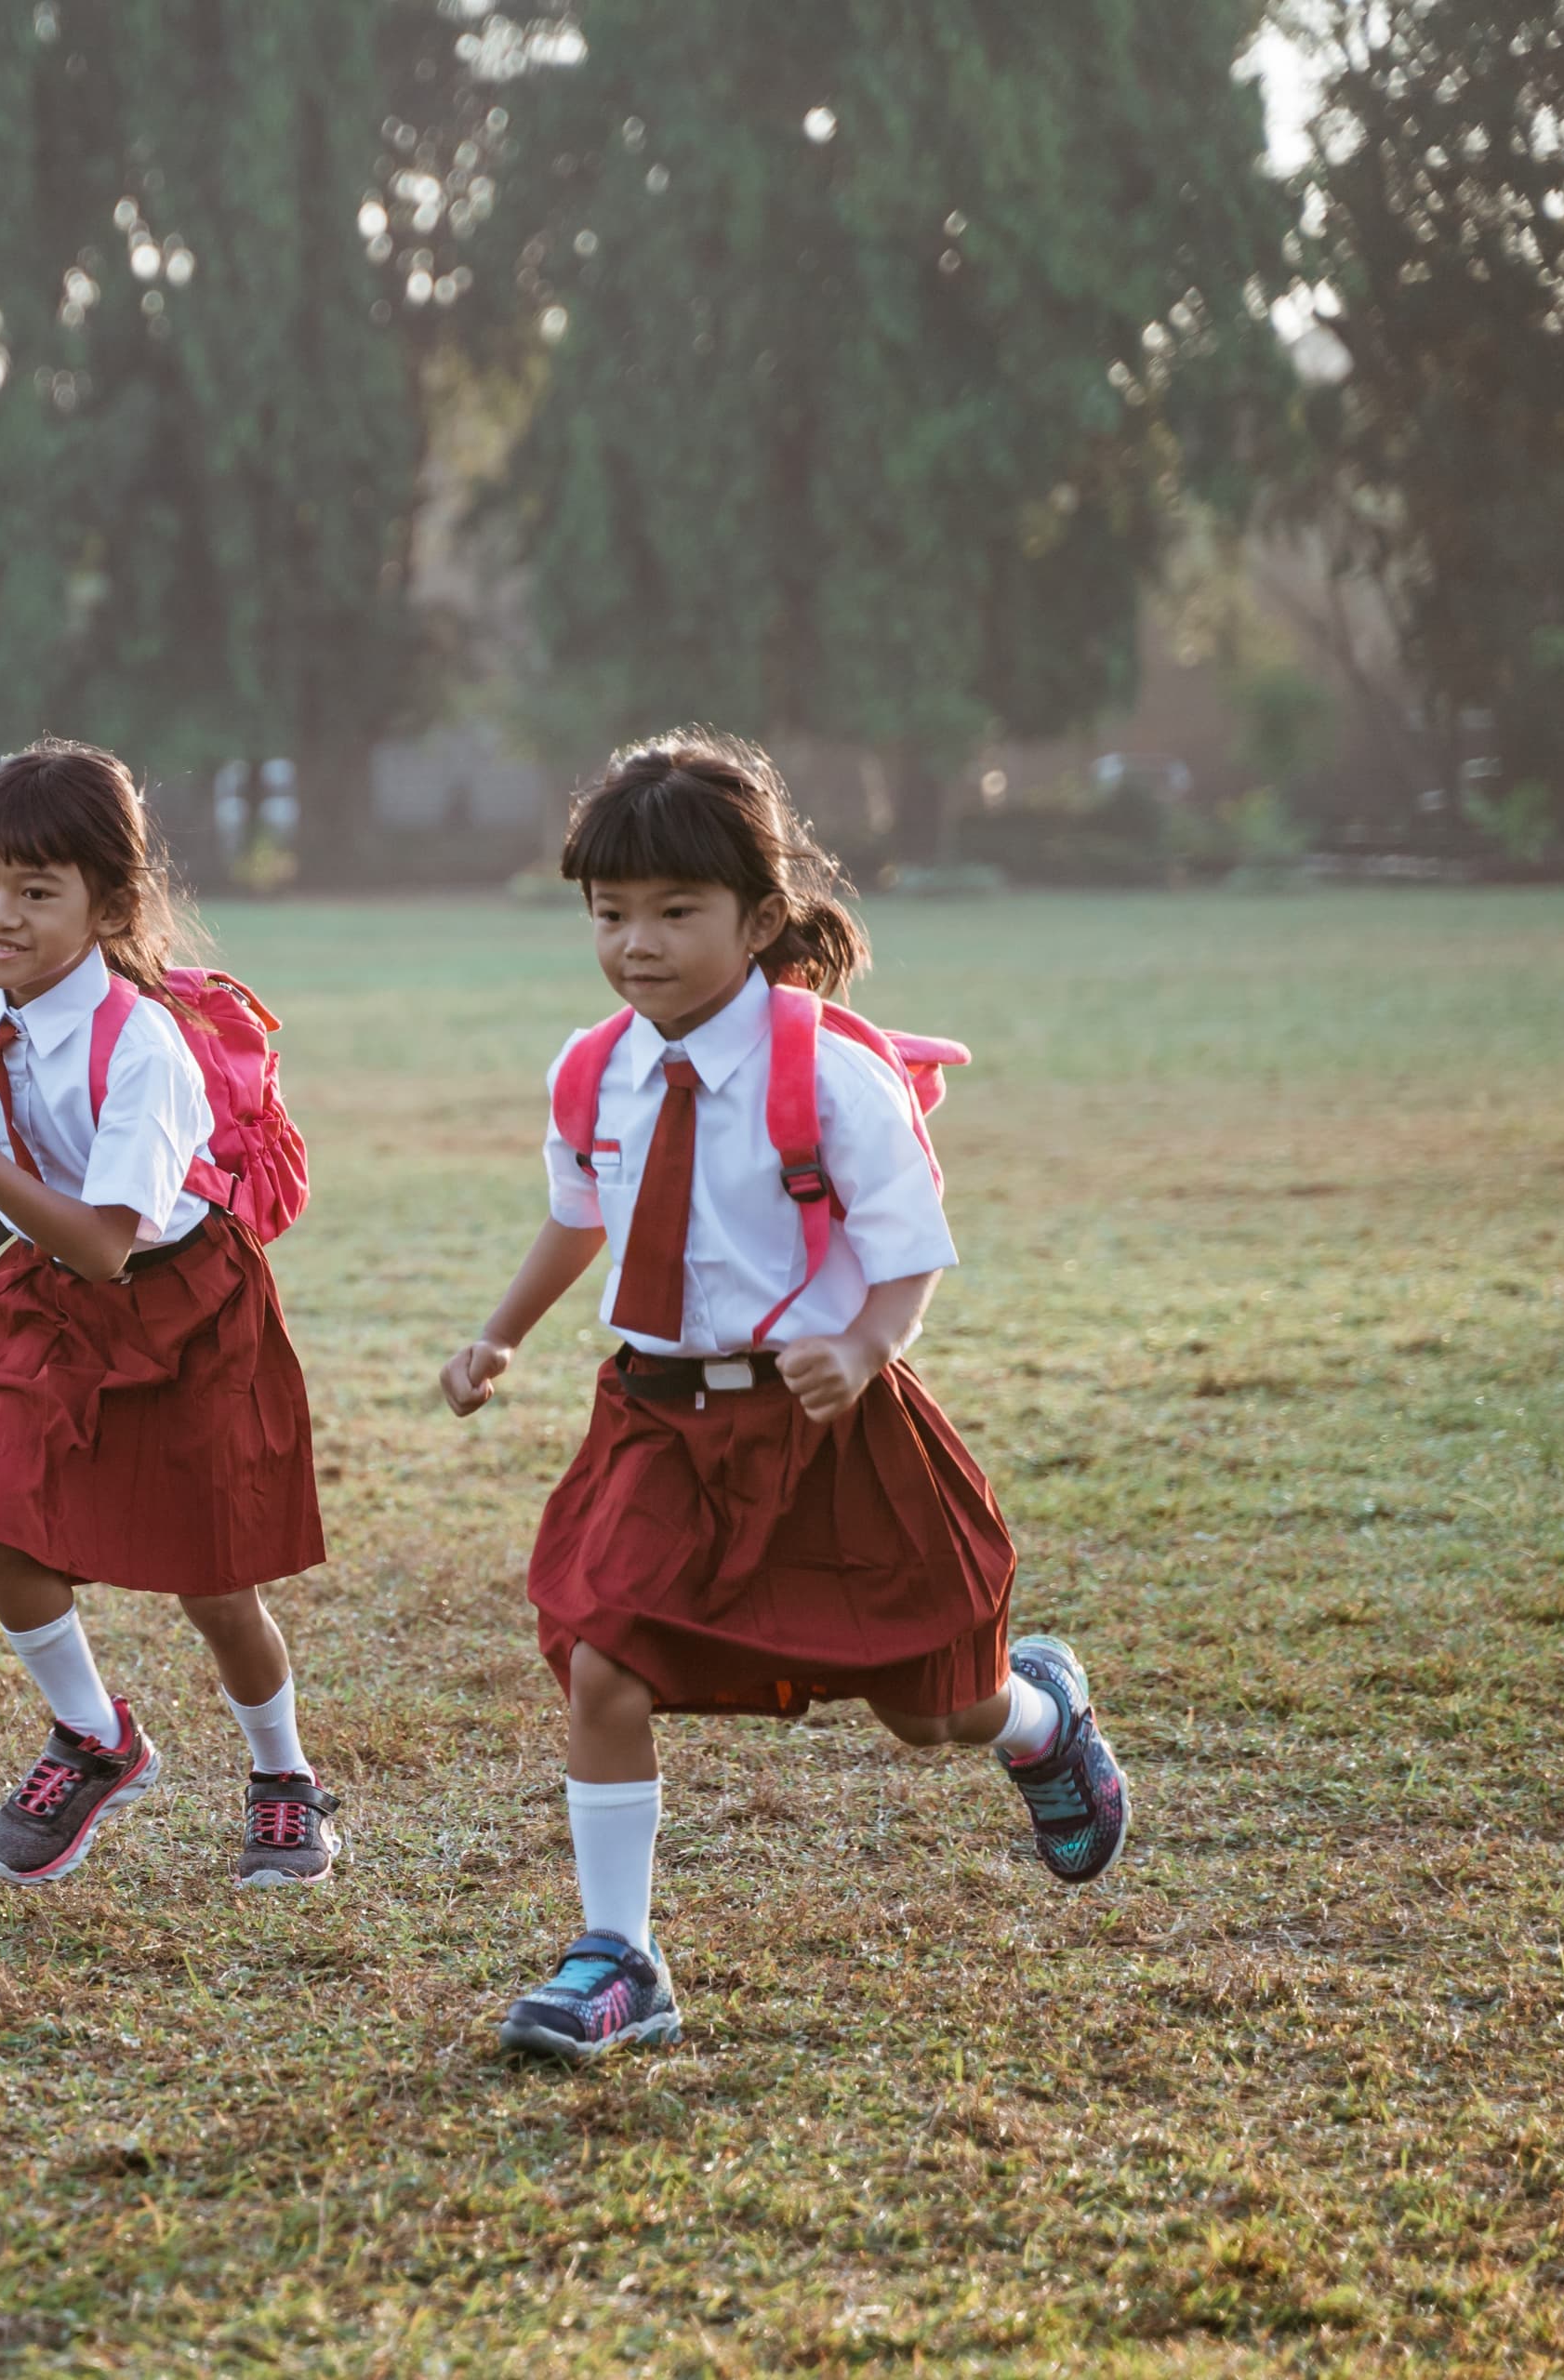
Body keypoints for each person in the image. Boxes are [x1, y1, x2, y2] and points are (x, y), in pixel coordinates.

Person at [440, 729, 1130, 2061]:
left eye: (676, 913)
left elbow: (911, 1254)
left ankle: (1041, 1717)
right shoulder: (594, 1070)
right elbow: (579, 1218)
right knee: (604, 1663)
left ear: (759, 918)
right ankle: (618, 1960)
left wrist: (863, 1349)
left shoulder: (831, 1073)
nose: (638, 944)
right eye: (610, 913)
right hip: (657, 1418)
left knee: (935, 1711)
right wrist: (497, 1336)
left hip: (823, 1426)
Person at [0, 740, 337, 1888]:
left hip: (180, 1300)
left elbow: (107, 1242)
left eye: (37, 891)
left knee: (215, 1583)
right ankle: (97, 1738)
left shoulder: (143, 1048)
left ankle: (284, 1778)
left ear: (110, 907)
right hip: (45, 1294)